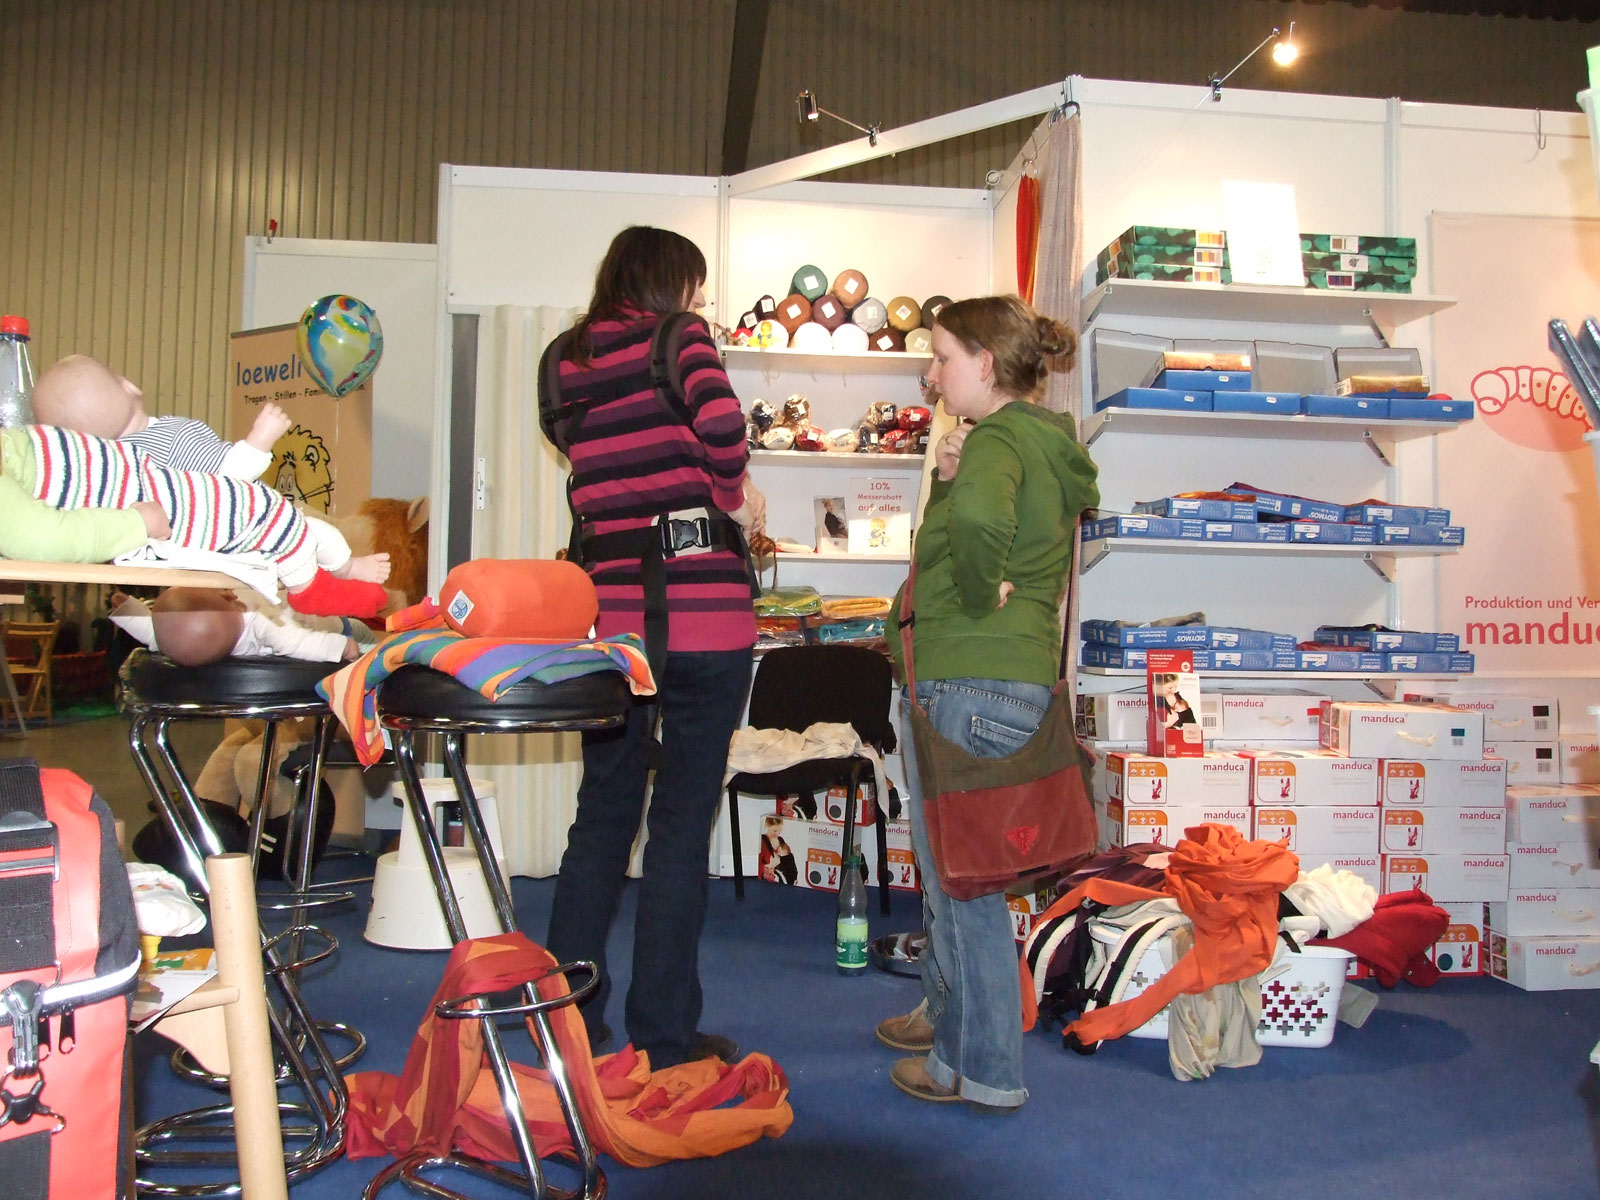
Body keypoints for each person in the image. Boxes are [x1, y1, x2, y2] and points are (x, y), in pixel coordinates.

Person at [541, 225, 766, 1068]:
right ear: (672, 284)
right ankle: (665, 1036)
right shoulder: (683, 339)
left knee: (600, 817)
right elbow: (725, 431)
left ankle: (568, 1024)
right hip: (705, 621)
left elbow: (580, 455)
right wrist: (730, 495)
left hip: (610, 630)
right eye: (695, 288)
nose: (699, 303)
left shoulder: (565, 359)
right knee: (678, 827)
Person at [875, 295, 1099, 1113]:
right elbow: (963, 525)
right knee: (960, 881)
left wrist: (975, 591)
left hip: (967, 678)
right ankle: (953, 1034)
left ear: (986, 362)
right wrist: (947, 481)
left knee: (963, 889)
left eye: (942, 358)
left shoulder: (1000, 440)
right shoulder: (1034, 440)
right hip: (1004, 676)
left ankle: (981, 1070)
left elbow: (974, 529)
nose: (933, 376)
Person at [31, 353, 392, 588]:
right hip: (233, 532)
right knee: (311, 532)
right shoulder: (172, 436)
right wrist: (259, 440)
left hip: (182, 556)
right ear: (130, 386)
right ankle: (349, 570)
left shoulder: (108, 469)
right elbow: (224, 484)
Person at [0, 423, 389, 618]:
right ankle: (314, 583)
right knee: (267, 520)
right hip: (152, 506)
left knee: (283, 520)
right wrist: (137, 524)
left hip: (148, 483)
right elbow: (38, 537)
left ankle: (342, 569)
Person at [109, 587, 374, 666]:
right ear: (228, 595)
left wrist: (127, 610)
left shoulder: (182, 643)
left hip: (323, 621)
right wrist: (342, 647)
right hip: (332, 626)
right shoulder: (260, 621)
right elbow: (296, 642)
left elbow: (155, 635)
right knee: (366, 638)